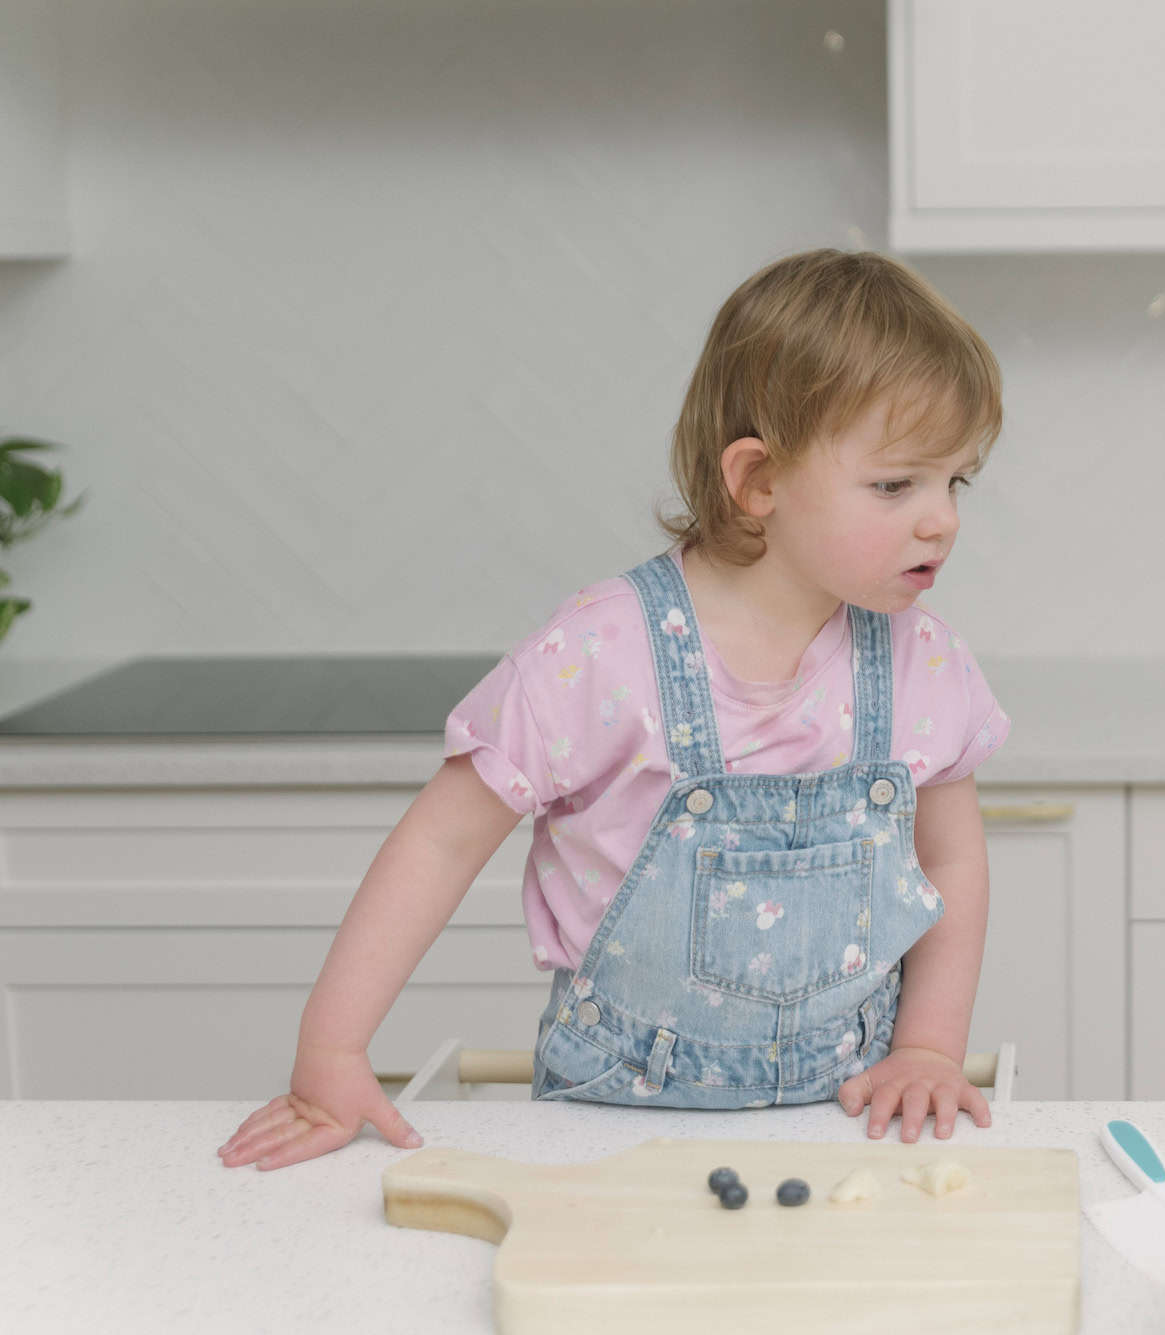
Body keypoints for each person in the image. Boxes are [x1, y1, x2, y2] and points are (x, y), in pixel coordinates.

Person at [218, 249, 1009, 1171]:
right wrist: (333, 1051)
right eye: (895, 484)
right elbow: (440, 841)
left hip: (843, 1130)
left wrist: (927, 1046)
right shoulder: (600, 654)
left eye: (956, 481)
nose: (941, 518)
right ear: (758, 482)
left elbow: (951, 856)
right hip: (605, 1128)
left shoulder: (926, 662)